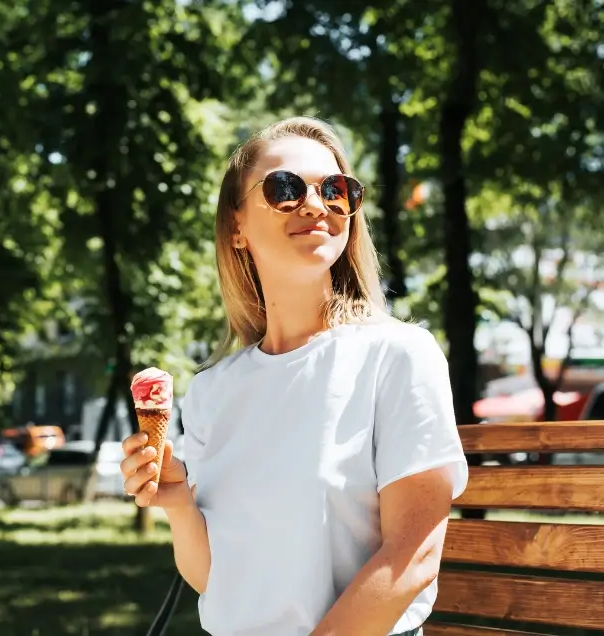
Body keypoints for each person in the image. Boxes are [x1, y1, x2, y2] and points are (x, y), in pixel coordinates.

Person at [120, 116, 468, 636]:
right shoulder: (214, 390)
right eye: (285, 188)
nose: (316, 204)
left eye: (337, 190)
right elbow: (217, 581)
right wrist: (178, 505)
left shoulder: (398, 356)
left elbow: (412, 558)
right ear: (236, 226)